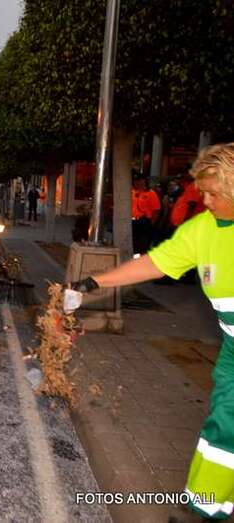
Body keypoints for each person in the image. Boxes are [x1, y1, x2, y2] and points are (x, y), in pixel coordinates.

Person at [72, 143, 234, 520]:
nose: (205, 200)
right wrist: (92, 283)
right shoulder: (202, 229)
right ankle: (208, 507)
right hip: (232, 346)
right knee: (223, 427)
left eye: (214, 193)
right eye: (202, 192)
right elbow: (154, 265)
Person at [131, 174, 161, 254]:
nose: (137, 183)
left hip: (144, 222)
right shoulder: (131, 192)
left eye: (140, 180)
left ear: (144, 181)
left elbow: (156, 210)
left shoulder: (151, 193)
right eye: (136, 181)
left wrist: (151, 223)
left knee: (143, 245)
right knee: (133, 245)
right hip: (132, 222)